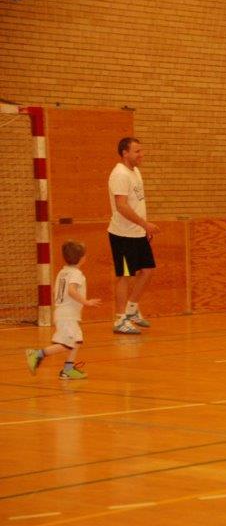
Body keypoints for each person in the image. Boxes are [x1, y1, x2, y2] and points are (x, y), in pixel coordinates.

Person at [25, 240, 101, 379]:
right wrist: (86, 302)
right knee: (67, 344)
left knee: (77, 340)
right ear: (82, 258)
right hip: (67, 315)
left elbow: (55, 291)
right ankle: (37, 354)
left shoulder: (62, 272)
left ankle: (68, 369)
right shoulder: (76, 274)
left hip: (63, 313)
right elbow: (71, 290)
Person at [108, 137, 159, 334]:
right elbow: (121, 206)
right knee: (125, 275)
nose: (141, 155)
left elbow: (136, 203)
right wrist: (144, 224)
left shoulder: (135, 171)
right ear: (125, 153)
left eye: (141, 150)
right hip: (123, 235)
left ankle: (131, 309)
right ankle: (120, 320)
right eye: (137, 151)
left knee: (147, 270)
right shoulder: (120, 174)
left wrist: (143, 229)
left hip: (137, 232)